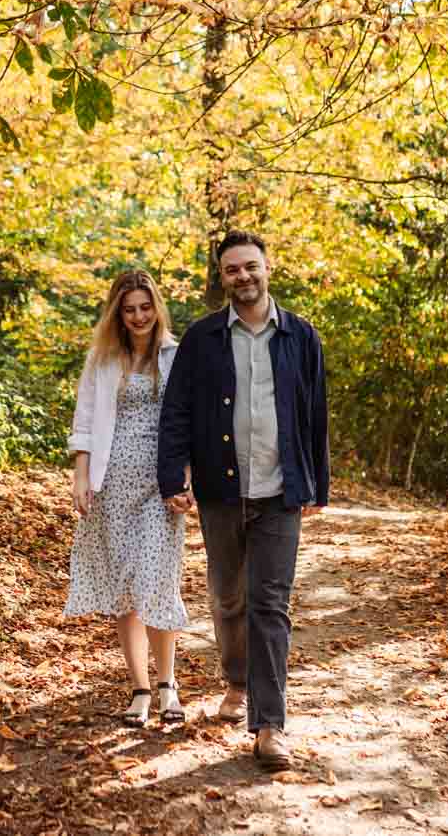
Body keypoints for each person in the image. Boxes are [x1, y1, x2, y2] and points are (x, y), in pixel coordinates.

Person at [157, 230, 329, 771]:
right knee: (228, 598)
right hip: (220, 491)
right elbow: (177, 412)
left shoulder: (301, 336)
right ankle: (235, 681)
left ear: (267, 267)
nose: (243, 277)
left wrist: (315, 483)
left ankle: (270, 724)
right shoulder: (202, 339)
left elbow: (315, 414)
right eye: (232, 270)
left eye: (251, 266)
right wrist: (173, 477)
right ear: (222, 276)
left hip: (279, 494)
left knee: (269, 605)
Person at [64, 270, 190, 727]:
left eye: (145, 306)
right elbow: (84, 421)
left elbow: (188, 423)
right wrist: (81, 475)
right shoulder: (103, 360)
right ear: (117, 312)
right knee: (125, 589)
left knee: (157, 581)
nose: (138, 316)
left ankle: (168, 685)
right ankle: (139, 688)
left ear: (156, 306)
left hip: (160, 488)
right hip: (112, 482)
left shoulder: (176, 356)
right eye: (129, 308)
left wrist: (187, 478)